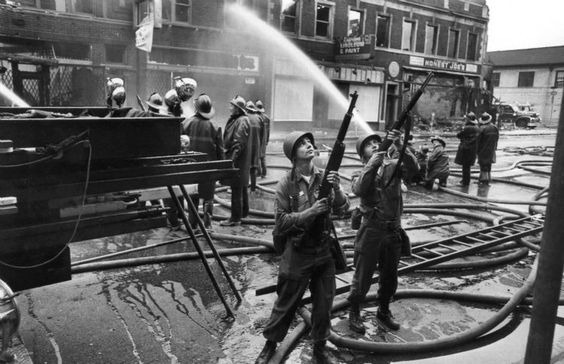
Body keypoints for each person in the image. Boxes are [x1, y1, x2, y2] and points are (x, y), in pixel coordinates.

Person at [255, 131, 349, 364]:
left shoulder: (326, 178)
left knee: (324, 302)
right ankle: (270, 345)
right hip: (298, 251)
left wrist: (336, 190)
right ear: (292, 155)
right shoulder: (286, 184)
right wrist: (311, 212)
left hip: (323, 250)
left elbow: (344, 209)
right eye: (302, 144)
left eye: (309, 143)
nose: (309, 146)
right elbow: (282, 222)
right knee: (286, 302)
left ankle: (319, 345)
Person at [347, 130, 418, 335]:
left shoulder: (393, 167)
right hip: (371, 231)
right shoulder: (358, 173)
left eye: (378, 142)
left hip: (392, 231)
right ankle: (354, 311)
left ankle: (384, 309)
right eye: (370, 145)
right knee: (362, 277)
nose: (376, 145)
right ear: (362, 155)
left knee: (389, 277)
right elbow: (360, 189)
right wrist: (374, 163)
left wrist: (400, 144)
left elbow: (414, 169)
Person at [182, 94, 225, 229]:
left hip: (191, 168)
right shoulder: (215, 127)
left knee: (192, 196)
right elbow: (220, 152)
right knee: (208, 197)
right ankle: (207, 226)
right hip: (209, 170)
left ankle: (192, 224)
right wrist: (220, 171)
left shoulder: (185, 124)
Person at [220, 95, 251, 226]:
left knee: (236, 189)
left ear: (237, 108)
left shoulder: (242, 121)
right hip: (240, 161)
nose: (229, 108)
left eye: (232, 106)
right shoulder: (239, 119)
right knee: (241, 187)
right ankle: (243, 213)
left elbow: (238, 143)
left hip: (238, 162)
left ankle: (235, 218)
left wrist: (231, 161)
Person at [455, 112, 480, 186]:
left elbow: (459, 135)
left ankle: (465, 182)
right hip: (472, 149)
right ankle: (465, 180)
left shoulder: (467, 127)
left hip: (466, 149)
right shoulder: (476, 127)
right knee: (467, 166)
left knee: (465, 167)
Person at [476, 112, 499, 185]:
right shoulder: (494, 127)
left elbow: (478, 140)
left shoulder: (481, 129)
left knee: (483, 164)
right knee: (489, 164)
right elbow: (497, 138)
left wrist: (476, 150)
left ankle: (484, 179)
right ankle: (488, 178)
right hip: (491, 148)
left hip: (483, 148)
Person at [245, 100, 263, 192]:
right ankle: (253, 188)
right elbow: (262, 135)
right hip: (256, 146)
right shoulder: (259, 118)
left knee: (245, 167)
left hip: (247, 146)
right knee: (254, 167)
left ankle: (244, 187)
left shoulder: (244, 118)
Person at [256, 100, 271, 178]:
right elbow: (268, 130)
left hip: (259, 139)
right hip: (264, 139)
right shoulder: (267, 118)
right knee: (263, 156)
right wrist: (267, 140)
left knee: (258, 156)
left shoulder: (257, 118)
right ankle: (264, 173)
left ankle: (258, 172)